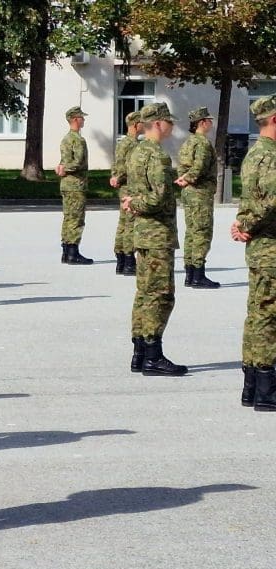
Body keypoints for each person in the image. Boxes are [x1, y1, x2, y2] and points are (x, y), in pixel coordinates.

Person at [122, 102, 187, 377]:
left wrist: (133, 202)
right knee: (161, 296)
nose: (171, 126)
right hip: (158, 234)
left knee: (144, 293)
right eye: (169, 122)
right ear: (158, 124)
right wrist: (136, 202)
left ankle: (139, 352)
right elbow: (157, 198)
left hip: (143, 233)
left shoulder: (136, 152)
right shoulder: (157, 155)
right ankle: (153, 355)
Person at [231, 94, 276, 411]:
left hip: (259, 246)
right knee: (268, 317)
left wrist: (242, 223)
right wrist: (246, 223)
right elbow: (271, 201)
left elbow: (251, 198)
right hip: (270, 245)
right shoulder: (270, 156)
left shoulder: (254, 153)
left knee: (257, 315)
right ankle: (265, 389)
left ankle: (251, 385)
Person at [176, 106, 220, 289]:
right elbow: (199, 166)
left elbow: (182, 165)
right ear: (202, 122)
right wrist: (189, 178)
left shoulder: (188, 142)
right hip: (200, 192)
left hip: (189, 192)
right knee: (202, 231)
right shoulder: (202, 143)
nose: (211, 123)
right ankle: (198, 275)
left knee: (191, 232)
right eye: (209, 120)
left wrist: (183, 178)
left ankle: (190, 273)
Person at [56, 106, 92, 265]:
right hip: (76, 184)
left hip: (66, 184)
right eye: (82, 117)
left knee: (68, 217)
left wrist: (61, 167)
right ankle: (72, 252)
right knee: (76, 218)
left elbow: (65, 160)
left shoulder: (65, 138)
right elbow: (78, 162)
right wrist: (65, 168)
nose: (83, 120)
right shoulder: (78, 140)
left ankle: (66, 251)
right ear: (76, 119)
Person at [110, 111, 142, 275]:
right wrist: (119, 177)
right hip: (130, 187)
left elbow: (116, 164)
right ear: (136, 125)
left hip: (124, 187)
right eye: (142, 122)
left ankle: (121, 259)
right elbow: (127, 166)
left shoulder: (123, 142)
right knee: (131, 224)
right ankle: (129, 260)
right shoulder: (133, 144)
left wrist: (115, 176)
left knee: (123, 223)